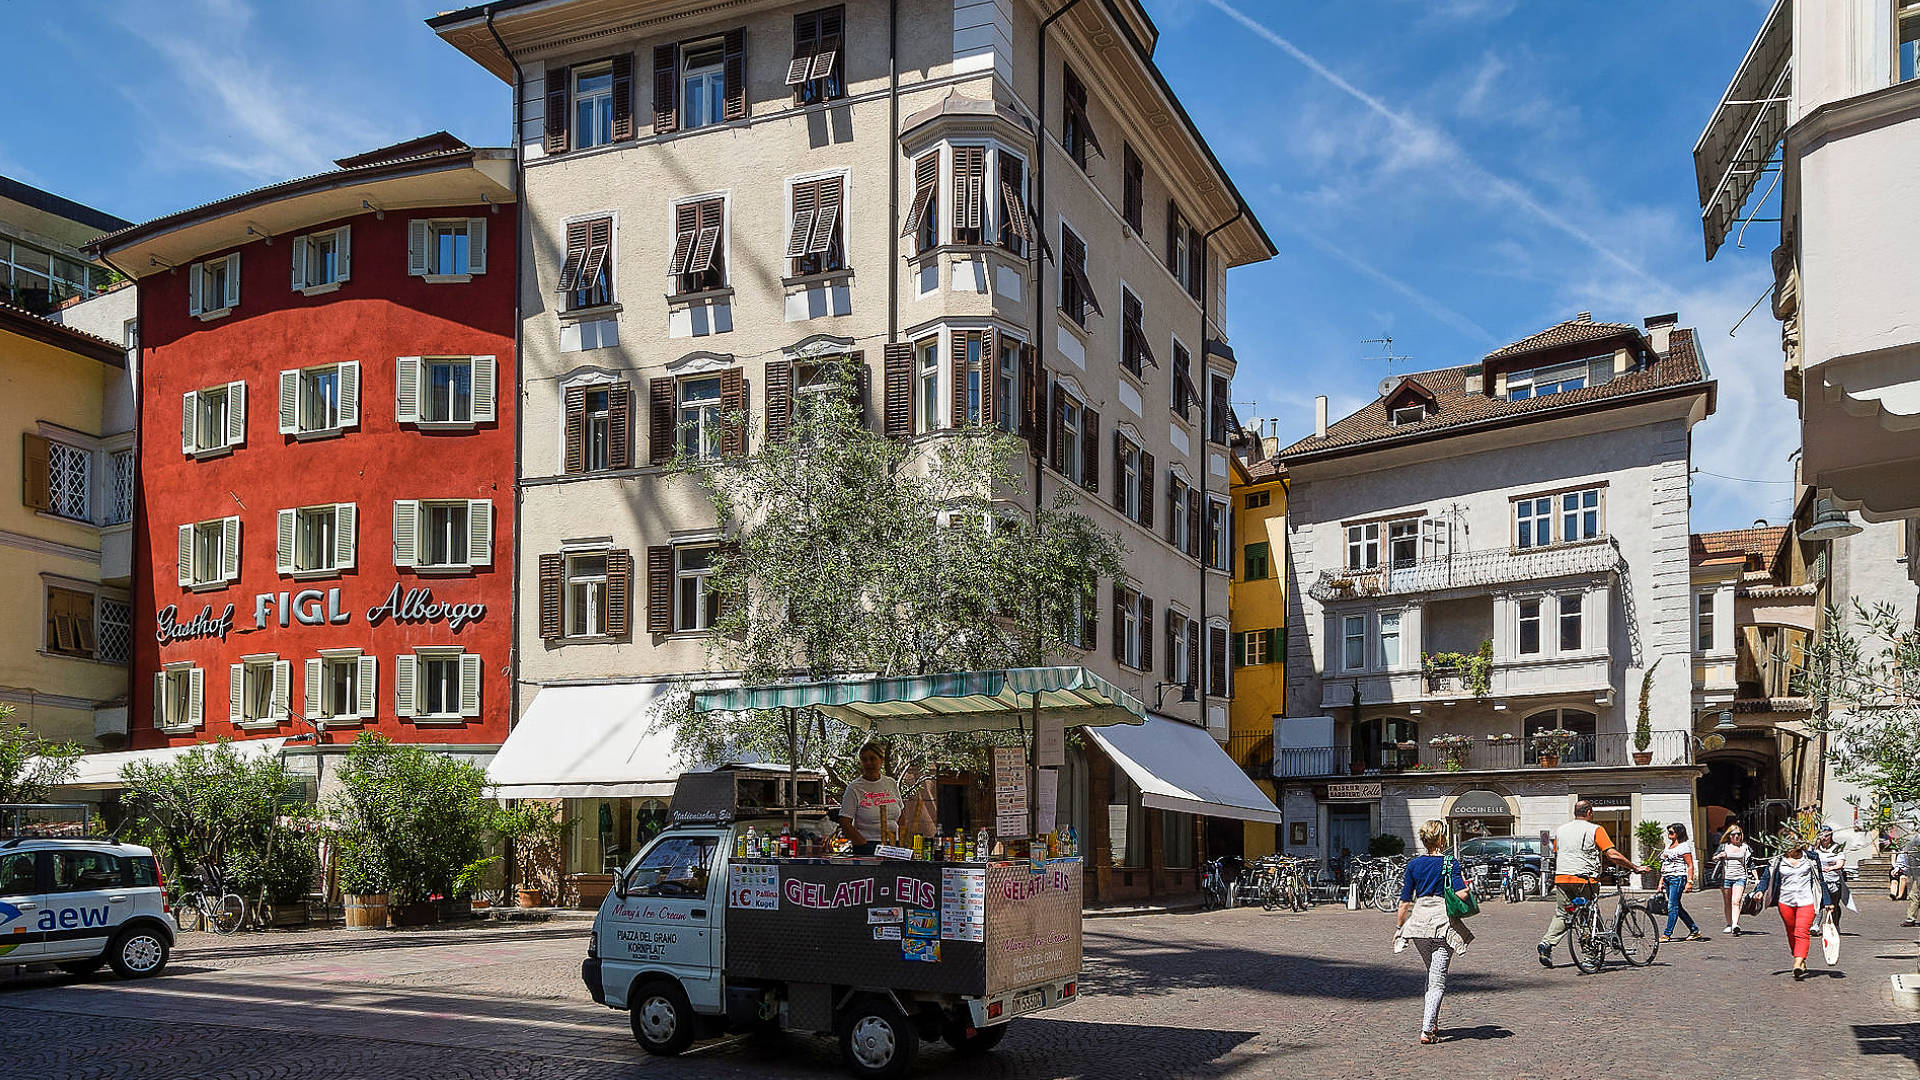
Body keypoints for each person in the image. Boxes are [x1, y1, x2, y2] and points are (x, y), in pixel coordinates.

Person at [1539, 800, 1647, 967]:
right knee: (1588, 916)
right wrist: (1634, 867)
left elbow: (1560, 853)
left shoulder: (1561, 830)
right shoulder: (1595, 829)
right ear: (1589, 812)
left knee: (1563, 914)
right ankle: (1589, 958)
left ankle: (1546, 943)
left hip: (1562, 878)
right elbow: (1612, 854)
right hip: (1584, 879)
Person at [1395, 820, 1473, 1045]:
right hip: (1442, 925)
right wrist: (1468, 890)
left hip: (1418, 925)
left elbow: (1404, 902)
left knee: (1432, 973)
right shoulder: (1450, 863)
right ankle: (1427, 1030)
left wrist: (1399, 928)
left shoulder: (1413, 865)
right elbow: (1461, 895)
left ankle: (1433, 1021)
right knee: (1438, 981)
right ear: (1442, 839)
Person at [1768, 836, 1834, 980]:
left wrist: (1827, 901)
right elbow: (1767, 876)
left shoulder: (1810, 857)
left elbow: (1820, 879)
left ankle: (1798, 962)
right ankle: (1800, 958)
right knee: (1791, 932)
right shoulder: (1779, 859)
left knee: (1801, 931)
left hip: (1807, 901)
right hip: (1785, 902)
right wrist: (1759, 891)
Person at [838, 742, 904, 854]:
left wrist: (902, 841)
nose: (869, 763)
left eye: (872, 759)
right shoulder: (854, 788)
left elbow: (902, 814)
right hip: (868, 845)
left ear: (881, 760)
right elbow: (845, 823)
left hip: (894, 844)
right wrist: (863, 844)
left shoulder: (890, 783)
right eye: (864, 760)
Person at [1658, 823, 1706, 942]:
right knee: (1677, 907)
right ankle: (1694, 930)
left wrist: (1690, 881)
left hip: (1677, 878)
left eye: (1671, 832)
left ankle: (1667, 934)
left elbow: (1690, 865)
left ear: (1678, 833)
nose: (1669, 834)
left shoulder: (1684, 847)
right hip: (1668, 878)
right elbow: (1665, 865)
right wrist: (1661, 881)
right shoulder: (1669, 847)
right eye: (1668, 832)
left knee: (1672, 906)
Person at [1712, 825, 1753, 934]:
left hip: (1740, 877)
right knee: (1727, 902)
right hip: (1726, 878)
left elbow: (1750, 863)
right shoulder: (1724, 846)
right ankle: (1729, 924)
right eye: (1733, 834)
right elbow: (1714, 858)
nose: (1736, 836)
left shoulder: (1745, 847)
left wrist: (1757, 878)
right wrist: (1720, 856)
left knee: (1736, 901)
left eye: (1738, 834)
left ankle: (1735, 924)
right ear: (1729, 836)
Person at [1813, 824, 1849, 930]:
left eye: (1827, 835)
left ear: (1831, 836)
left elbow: (1841, 863)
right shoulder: (1815, 848)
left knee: (1833, 905)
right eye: (1822, 835)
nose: (1824, 838)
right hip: (1819, 880)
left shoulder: (1836, 848)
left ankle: (1835, 925)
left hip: (1833, 881)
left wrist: (1832, 868)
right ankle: (1815, 926)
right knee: (1818, 903)